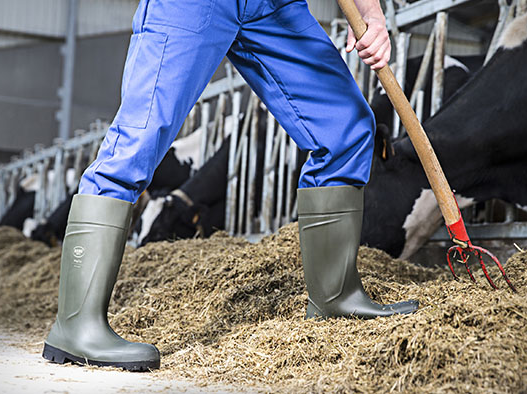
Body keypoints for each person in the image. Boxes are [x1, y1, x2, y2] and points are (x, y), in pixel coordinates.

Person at [42, 0, 419, 371]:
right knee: (136, 143)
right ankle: (77, 324)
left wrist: (370, 11)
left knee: (347, 127)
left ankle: (337, 296)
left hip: (275, 5)